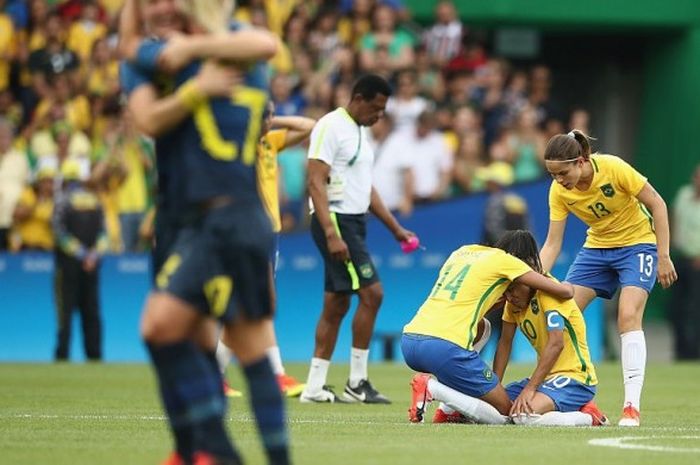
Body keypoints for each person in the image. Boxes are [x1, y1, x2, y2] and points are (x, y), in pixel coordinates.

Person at [120, 1, 289, 464]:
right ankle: (199, 450)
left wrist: (192, 59)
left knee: (166, 328)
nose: (162, 8)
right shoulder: (160, 59)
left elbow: (264, 42)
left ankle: (212, 451)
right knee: (216, 341)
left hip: (226, 218)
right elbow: (135, 54)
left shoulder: (231, 52)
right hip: (188, 218)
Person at [539, 129, 678, 427]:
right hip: (597, 249)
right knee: (563, 318)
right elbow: (552, 244)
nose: (559, 181)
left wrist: (663, 255)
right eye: (552, 175)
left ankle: (631, 407)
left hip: (638, 244)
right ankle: (581, 400)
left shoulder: (613, 168)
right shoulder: (559, 192)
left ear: (580, 161)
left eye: (563, 173)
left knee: (627, 316)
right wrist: (533, 277)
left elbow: (658, 204)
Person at [300, 74, 414, 404]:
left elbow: (367, 188)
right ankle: (357, 382)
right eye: (376, 108)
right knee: (372, 294)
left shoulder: (361, 134)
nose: (379, 115)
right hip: (335, 221)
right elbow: (315, 182)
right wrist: (332, 234)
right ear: (359, 98)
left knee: (337, 304)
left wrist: (395, 228)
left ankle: (314, 387)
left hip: (353, 221)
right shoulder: (329, 127)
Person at [402, 230, 574, 424]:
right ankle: (432, 389)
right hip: (444, 347)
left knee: (484, 327)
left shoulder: (463, 251)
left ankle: (448, 409)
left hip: (410, 341)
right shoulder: (507, 261)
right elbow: (565, 292)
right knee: (506, 414)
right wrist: (571, 284)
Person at [216, 101, 315, 398]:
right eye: (265, 115)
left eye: (271, 114)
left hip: (269, 233)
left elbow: (309, 126)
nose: (270, 120)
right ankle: (275, 374)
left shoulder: (270, 142)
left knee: (251, 307)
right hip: (248, 230)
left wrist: (273, 119)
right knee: (261, 304)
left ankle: (215, 374)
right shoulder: (238, 147)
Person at [492, 278, 609, 426]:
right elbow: (505, 342)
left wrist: (530, 389)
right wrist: (494, 387)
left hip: (575, 378)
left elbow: (556, 343)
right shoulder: (513, 304)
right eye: (505, 291)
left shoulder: (549, 294)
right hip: (546, 379)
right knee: (493, 405)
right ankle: (566, 406)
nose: (509, 297)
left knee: (522, 415)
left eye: (512, 289)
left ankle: (590, 417)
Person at [52, 159, 106, 361]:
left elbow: (59, 232)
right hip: (92, 266)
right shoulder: (94, 200)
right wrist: (92, 256)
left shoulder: (62, 201)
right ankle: (95, 356)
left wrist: (81, 254)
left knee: (64, 313)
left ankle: (63, 355)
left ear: (64, 180)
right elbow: (104, 235)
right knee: (91, 311)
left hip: (68, 266)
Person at [669, 164, 700, 359]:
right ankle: (680, 352)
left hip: (698, 262)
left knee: (695, 309)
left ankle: (695, 353)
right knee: (677, 307)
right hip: (680, 259)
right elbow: (672, 216)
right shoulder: (683, 194)